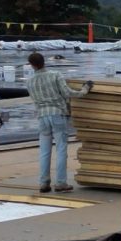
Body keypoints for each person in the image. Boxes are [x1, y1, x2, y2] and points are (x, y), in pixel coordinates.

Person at [27, 51, 92, 193]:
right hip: (57, 114)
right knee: (61, 149)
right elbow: (68, 93)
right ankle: (61, 182)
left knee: (44, 151)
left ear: (32, 65)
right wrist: (84, 90)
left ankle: (44, 183)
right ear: (44, 61)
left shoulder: (29, 81)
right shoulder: (55, 75)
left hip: (42, 117)